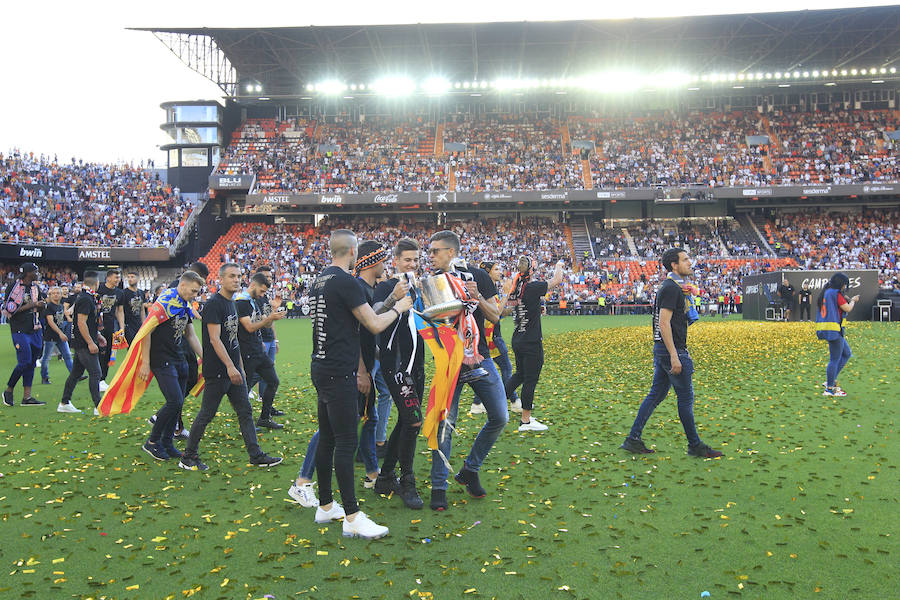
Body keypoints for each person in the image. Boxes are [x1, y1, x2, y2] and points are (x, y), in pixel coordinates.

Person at [308, 229, 412, 540]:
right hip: (340, 370)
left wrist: (389, 301)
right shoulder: (346, 282)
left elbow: (356, 318)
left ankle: (325, 505)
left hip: (321, 365)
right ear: (353, 252)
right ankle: (352, 516)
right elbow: (374, 324)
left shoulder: (321, 280)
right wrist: (398, 308)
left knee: (328, 438)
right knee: (345, 442)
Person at [426, 230, 509, 511]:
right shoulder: (432, 282)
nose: (431, 255)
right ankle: (439, 487)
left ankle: (470, 469)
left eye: (436, 251)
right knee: (445, 427)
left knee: (500, 416)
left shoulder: (479, 277)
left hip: (479, 357)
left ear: (451, 252)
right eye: (431, 251)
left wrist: (477, 297)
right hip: (448, 361)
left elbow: (496, 316)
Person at [178, 263, 283, 471]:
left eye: (238, 276)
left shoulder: (232, 303)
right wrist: (230, 367)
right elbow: (215, 340)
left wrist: (240, 366)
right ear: (221, 279)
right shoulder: (214, 305)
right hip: (218, 371)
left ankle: (256, 455)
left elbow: (233, 339)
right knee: (206, 414)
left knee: (245, 412)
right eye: (231, 276)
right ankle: (188, 457)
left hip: (234, 369)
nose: (236, 279)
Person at [620, 248, 723, 458]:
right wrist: (675, 355)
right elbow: (664, 323)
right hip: (671, 351)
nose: (690, 263)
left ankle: (633, 439)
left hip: (663, 350)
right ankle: (694, 445)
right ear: (674, 265)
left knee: (656, 395)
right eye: (685, 260)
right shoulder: (671, 289)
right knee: (685, 398)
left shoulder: (673, 288)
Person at [373, 238, 426, 509]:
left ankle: (385, 477)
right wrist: (393, 296)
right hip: (395, 365)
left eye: (416, 260)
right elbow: (371, 316)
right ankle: (407, 481)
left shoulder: (417, 287)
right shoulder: (384, 286)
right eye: (407, 260)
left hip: (417, 365)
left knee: (407, 421)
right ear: (395, 261)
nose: (412, 264)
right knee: (414, 421)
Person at [140, 271, 205, 460]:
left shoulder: (184, 304)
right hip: (161, 359)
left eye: (197, 292)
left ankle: (167, 443)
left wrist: (205, 357)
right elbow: (147, 331)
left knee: (178, 403)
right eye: (193, 291)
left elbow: (190, 335)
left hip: (179, 357)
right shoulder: (165, 302)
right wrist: (145, 362)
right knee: (175, 401)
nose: (195, 295)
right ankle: (152, 442)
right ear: (182, 285)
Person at [505, 257, 564, 432]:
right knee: (530, 379)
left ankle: (497, 401)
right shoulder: (531, 286)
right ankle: (526, 420)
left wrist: (537, 310)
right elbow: (557, 280)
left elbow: (521, 307)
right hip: (531, 341)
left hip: (518, 338)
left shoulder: (517, 287)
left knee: (520, 375)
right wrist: (559, 266)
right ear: (531, 269)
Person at [354, 240, 389, 489]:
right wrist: (362, 371)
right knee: (338, 427)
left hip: (364, 366)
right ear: (374, 261)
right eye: (383, 260)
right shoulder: (358, 289)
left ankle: (372, 473)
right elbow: (355, 334)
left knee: (370, 419)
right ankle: (304, 478)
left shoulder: (366, 289)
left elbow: (367, 335)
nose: (385, 265)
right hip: (355, 371)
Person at [235, 272, 286, 429]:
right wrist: (269, 318)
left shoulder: (254, 301)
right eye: (262, 291)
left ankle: (264, 417)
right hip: (247, 351)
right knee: (245, 388)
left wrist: (273, 312)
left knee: (273, 381)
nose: (263, 294)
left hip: (258, 349)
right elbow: (249, 327)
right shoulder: (241, 302)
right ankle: (245, 423)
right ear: (253, 285)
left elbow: (266, 324)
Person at [471, 260, 521, 415]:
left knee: (485, 371)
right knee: (506, 368)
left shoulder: (490, 288)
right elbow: (495, 314)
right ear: (488, 272)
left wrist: (515, 307)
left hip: (492, 336)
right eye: (496, 269)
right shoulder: (486, 289)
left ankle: (477, 403)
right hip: (491, 337)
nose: (500, 271)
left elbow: (500, 313)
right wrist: (506, 293)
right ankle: (513, 400)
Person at [59, 274, 106, 414]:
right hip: (83, 343)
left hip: (81, 341)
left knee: (76, 373)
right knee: (96, 373)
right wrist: (91, 342)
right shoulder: (86, 299)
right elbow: (81, 322)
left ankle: (64, 402)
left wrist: (97, 335)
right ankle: (98, 406)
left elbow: (87, 322)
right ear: (96, 283)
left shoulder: (86, 297)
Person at [3, 263, 47, 407]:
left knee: (31, 363)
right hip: (19, 329)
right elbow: (10, 309)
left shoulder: (35, 287)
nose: (38, 273)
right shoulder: (14, 287)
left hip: (34, 328)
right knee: (24, 361)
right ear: (28, 273)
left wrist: (42, 304)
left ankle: (27, 397)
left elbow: (41, 301)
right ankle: (9, 389)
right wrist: (33, 305)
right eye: (35, 271)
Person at [247, 265, 284, 418]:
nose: (269, 279)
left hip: (268, 339)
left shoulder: (264, 298)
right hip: (259, 341)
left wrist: (275, 339)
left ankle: (266, 407)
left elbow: (270, 321)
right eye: (266, 277)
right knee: (259, 373)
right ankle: (243, 393)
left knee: (268, 375)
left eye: (270, 277)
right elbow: (256, 322)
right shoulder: (252, 299)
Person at [815, 273, 859, 397]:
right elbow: (847, 308)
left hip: (829, 328)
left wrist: (848, 300)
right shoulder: (835, 293)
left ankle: (831, 380)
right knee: (834, 359)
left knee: (846, 353)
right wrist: (854, 301)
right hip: (834, 330)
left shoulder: (827, 292)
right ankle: (830, 387)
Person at [40, 286, 74, 388]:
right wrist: (60, 333)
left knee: (67, 355)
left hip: (60, 336)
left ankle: (74, 375)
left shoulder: (60, 306)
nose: (56, 295)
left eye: (57, 293)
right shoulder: (49, 307)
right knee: (46, 358)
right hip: (51, 336)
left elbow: (61, 321)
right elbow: (51, 322)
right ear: (50, 295)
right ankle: (44, 377)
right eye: (53, 293)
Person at [96, 269, 125, 391]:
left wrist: (122, 328)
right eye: (116, 278)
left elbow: (120, 311)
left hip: (111, 326)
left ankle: (102, 379)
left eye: (119, 278)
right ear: (108, 278)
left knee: (109, 353)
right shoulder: (99, 289)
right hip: (98, 326)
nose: (118, 280)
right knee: (98, 352)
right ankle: (97, 378)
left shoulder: (119, 293)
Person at [121, 269, 147, 345]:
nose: (130, 279)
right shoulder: (124, 293)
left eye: (132, 277)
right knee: (132, 347)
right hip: (129, 324)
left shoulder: (141, 292)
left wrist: (143, 323)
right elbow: (120, 310)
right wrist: (122, 326)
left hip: (138, 323)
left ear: (138, 278)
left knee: (140, 346)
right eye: (128, 277)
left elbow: (142, 309)